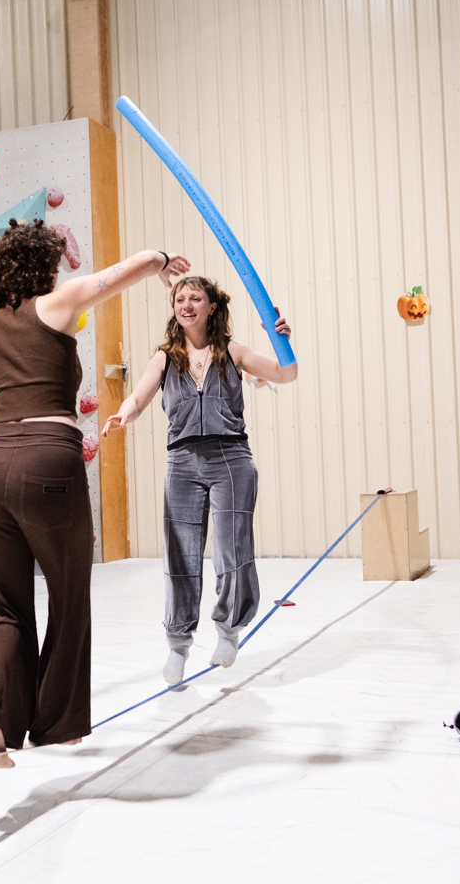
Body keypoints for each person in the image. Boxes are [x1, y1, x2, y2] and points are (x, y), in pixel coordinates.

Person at [0, 221, 190, 768]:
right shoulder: (59, 303)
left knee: (3, 603)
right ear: (47, 266)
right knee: (68, 592)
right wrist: (162, 259)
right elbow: (124, 270)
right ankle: (57, 724)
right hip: (48, 460)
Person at [103, 276, 296, 684]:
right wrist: (124, 414)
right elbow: (138, 397)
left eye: (196, 298)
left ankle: (229, 631)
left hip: (231, 459)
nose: (186, 305)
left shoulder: (233, 351)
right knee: (181, 556)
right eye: (180, 299)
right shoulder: (164, 358)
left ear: (212, 307)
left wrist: (280, 339)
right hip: (183, 463)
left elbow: (286, 373)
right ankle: (178, 645)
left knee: (232, 549)